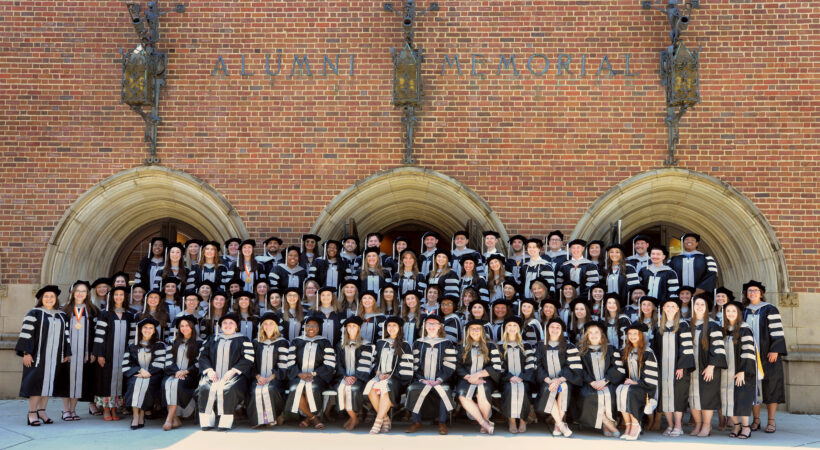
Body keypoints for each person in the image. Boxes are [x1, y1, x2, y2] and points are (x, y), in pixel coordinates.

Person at [17, 285, 71, 426]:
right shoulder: (34, 313)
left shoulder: (62, 315)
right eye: (46, 296)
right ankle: (32, 413)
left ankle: (42, 411)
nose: (49, 299)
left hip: (55, 357)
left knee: (48, 385)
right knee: (36, 384)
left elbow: (66, 336)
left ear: (56, 299)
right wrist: (26, 353)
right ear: (41, 299)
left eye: (52, 296)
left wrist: (66, 352)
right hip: (38, 356)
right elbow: (26, 334)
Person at [197, 312, 255, 431]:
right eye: (224, 323)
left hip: (235, 375)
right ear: (220, 326)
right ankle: (207, 421)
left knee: (228, 389)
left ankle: (225, 421)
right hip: (213, 374)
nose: (227, 325)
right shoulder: (212, 338)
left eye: (231, 323)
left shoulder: (243, 339)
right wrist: (209, 371)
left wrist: (233, 371)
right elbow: (202, 356)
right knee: (204, 386)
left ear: (236, 326)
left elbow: (248, 358)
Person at [742, 280, 786, 434]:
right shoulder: (743, 311)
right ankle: (756, 420)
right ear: (746, 294)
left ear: (761, 293)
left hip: (768, 355)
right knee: (754, 389)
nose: (752, 293)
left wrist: (775, 350)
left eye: (755, 290)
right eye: (749, 291)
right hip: (749, 357)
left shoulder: (770, 309)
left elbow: (777, 331)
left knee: (771, 387)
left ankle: (771, 421)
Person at [405, 315, 458, 435]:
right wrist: (422, 379)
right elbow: (414, 364)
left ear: (440, 326)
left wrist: (439, 380)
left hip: (441, 380)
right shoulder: (418, 343)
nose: (431, 326)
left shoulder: (447, 343)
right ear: (425, 326)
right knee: (413, 389)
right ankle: (416, 422)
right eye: (429, 324)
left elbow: (449, 365)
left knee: (445, 390)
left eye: (435, 324)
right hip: (422, 380)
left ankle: (442, 422)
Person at [93, 286, 137, 421]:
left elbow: (132, 337)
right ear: (111, 297)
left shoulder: (130, 315)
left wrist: (130, 355)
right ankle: (106, 409)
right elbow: (99, 336)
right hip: (108, 354)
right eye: (116, 295)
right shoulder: (105, 314)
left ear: (125, 297)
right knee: (106, 381)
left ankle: (114, 409)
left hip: (123, 355)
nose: (119, 297)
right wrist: (99, 354)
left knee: (120, 381)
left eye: (121, 295)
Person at [284, 315, 336, 429]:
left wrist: (313, 373)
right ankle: (314, 418)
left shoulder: (325, 342)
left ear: (319, 328)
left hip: (317, 376)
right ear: (304, 327)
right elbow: (290, 361)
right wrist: (299, 373)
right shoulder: (296, 341)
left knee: (312, 389)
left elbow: (330, 363)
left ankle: (308, 418)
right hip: (298, 375)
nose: (311, 328)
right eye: (308, 325)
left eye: (314, 326)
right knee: (295, 389)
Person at [653, 296, 694, 437]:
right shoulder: (658, 328)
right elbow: (655, 350)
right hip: (663, 369)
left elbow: (687, 348)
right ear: (663, 309)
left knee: (678, 397)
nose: (670, 309)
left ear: (678, 309)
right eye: (667, 306)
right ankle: (670, 425)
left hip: (678, 369)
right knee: (665, 397)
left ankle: (678, 425)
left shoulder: (683, 326)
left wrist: (682, 366)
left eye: (673, 306)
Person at [365, 316, 414, 434]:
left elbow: (406, 367)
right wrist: (379, 373)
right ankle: (385, 419)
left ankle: (378, 422)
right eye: (389, 326)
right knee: (370, 388)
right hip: (380, 376)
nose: (391, 328)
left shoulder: (405, 345)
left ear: (399, 328)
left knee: (385, 387)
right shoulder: (381, 342)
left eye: (394, 326)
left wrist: (390, 376)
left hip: (397, 379)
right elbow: (376, 361)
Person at [577, 320, 625, 437]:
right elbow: (579, 370)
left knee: (610, 395)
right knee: (589, 396)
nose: (593, 335)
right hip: (589, 384)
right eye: (590, 332)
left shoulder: (611, 349)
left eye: (596, 332)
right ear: (587, 335)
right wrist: (591, 382)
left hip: (608, 383)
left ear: (602, 334)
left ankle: (605, 425)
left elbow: (618, 368)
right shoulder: (582, 351)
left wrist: (605, 380)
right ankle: (608, 424)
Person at [535, 318, 582, 437]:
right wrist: (549, 380)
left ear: (562, 330)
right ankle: (561, 425)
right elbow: (537, 366)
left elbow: (573, 366)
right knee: (550, 389)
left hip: (564, 380)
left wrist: (558, 380)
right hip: (546, 380)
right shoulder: (540, 346)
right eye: (552, 327)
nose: (555, 330)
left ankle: (557, 424)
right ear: (547, 329)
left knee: (564, 388)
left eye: (558, 327)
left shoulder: (569, 346)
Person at [688, 293, 727, 437]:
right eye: (696, 304)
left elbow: (718, 349)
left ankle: (706, 425)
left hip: (707, 368)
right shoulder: (687, 326)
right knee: (692, 397)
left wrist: (712, 366)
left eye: (702, 304)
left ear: (706, 308)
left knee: (707, 397)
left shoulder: (712, 326)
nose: (699, 307)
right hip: (691, 368)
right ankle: (698, 425)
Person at [61, 280, 99, 421]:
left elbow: (97, 334)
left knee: (79, 380)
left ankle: (73, 410)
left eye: (83, 291)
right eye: (78, 291)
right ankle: (65, 410)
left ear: (87, 294)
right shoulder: (64, 310)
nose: (80, 293)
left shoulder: (93, 310)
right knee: (66, 380)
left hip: (85, 353)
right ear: (72, 293)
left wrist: (93, 352)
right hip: (69, 353)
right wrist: (64, 352)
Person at [456, 319, 502, 435]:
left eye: (478, 329)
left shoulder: (491, 345)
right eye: (472, 329)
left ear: (482, 331)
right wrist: (468, 377)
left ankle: (486, 420)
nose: (475, 331)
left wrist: (478, 375)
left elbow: (496, 366)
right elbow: (457, 365)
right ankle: (484, 423)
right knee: (462, 394)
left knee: (482, 392)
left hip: (485, 377)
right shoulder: (462, 346)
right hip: (467, 378)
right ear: (468, 331)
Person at [615, 323, 659, 440]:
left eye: (635, 333)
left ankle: (636, 425)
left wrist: (635, 383)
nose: (632, 336)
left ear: (641, 335)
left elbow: (651, 378)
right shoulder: (626, 351)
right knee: (619, 390)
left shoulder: (648, 352)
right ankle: (628, 426)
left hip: (645, 387)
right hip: (631, 385)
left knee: (631, 392)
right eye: (630, 334)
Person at [123, 317, 166, 430]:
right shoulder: (133, 345)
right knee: (135, 384)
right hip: (136, 374)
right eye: (145, 328)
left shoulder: (159, 345)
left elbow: (160, 363)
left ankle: (142, 414)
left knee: (145, 385)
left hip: (153, 375)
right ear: (141, 330)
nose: (148, 330)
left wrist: (148, 373)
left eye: (151, 328)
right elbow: (127, 363)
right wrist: (140, 370)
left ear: (154, 330)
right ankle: (136, 416)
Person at [721, 300, 756, 439]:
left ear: (739, 313)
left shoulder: (744, 329)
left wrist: (743, 371)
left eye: (733, 311)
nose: (730, 313)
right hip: (725, 372)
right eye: (728, 311)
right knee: (727, 399)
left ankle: (746, 427)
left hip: (740, 371)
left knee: (741, 399)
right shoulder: (722, 329)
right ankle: (736, 425)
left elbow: (748, 351)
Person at [248, 312, 289, 428]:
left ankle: (271, 417)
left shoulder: (283, 342)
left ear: (276, 326)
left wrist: (270, 378)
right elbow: (251, 364)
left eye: (271, 323)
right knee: (255, 390)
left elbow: (283, 364)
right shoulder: (256, 342)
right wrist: (258, 376)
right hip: (258, 377)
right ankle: (258, 420)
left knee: (271, 389)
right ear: (262, 327)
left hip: (276, 378)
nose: (268, 326)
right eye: (265, 324)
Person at [334, 316, 375, 431]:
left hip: (359, 378)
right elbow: (338, 363)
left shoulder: (366, 345)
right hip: (343, 377)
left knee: (353, 390)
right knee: (340, 389)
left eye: (354, 326)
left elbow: (365, 364)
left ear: (359, 329)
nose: (351, 328)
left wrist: (355, 377)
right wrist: (345, 376)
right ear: (346, 329)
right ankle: (353, 417)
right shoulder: (340, 345)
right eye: (349, 326)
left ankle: (353, 418)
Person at [161, 314, 201, 430]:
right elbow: (168, 360)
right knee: (166, 384)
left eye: (187, 325)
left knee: (177, 384)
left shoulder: (200, 343)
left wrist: (186, 371)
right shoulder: (173, 341)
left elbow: (199, 363)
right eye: (182, 326)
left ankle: (169, 419)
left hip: (190, 376)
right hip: (173, 373)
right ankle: (176, 419)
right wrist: (177, 372)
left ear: (192, 327)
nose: (184, 328)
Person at [498, 316, 536, 434]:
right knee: (510, 389)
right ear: (505, 328)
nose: (512, 328)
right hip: (506, 380)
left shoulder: (527, 345)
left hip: (524, 379)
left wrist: (522, 377)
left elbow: (531, 364)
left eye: (515, 325)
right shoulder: (499, 346)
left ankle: (523, 420)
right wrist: (509, 377)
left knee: (523, 388)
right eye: (509, 325)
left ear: (519, 328)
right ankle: (512, 420)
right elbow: (498, 366)